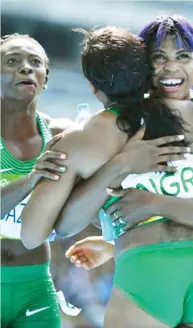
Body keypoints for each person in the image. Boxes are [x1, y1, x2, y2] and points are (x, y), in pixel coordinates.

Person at [20, 22, 193, 327]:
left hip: (147, 267)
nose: (171, 67)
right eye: (160, 58)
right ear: (144, 68)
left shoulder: (90, 134)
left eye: (182, 56)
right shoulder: (168, 117)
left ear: (91, 84)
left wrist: (138, 190)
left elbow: (40, 232)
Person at [0, 33, 75, 328]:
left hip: (35, 285)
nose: (26, 68)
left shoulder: (61, 135)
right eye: (12, 61)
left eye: (35, 63)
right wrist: (31, 179)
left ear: (45, 79)